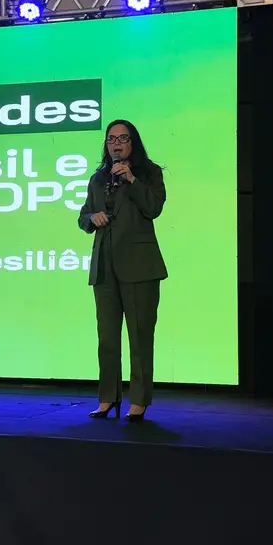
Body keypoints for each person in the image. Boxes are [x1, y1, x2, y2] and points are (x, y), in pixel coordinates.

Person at [76, 119, 167, 422]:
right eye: (111, 139)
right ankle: (107, 398)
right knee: (107, 337)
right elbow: (83, 216)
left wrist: (132, 180)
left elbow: (153, 208)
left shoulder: (149, 173)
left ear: (133, 143)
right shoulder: (98, 178)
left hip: (140, 266)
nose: (116, 144)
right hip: (104, 266)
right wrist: (92, 218)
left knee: (140, 337)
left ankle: (139, 400)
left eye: (123, 138)